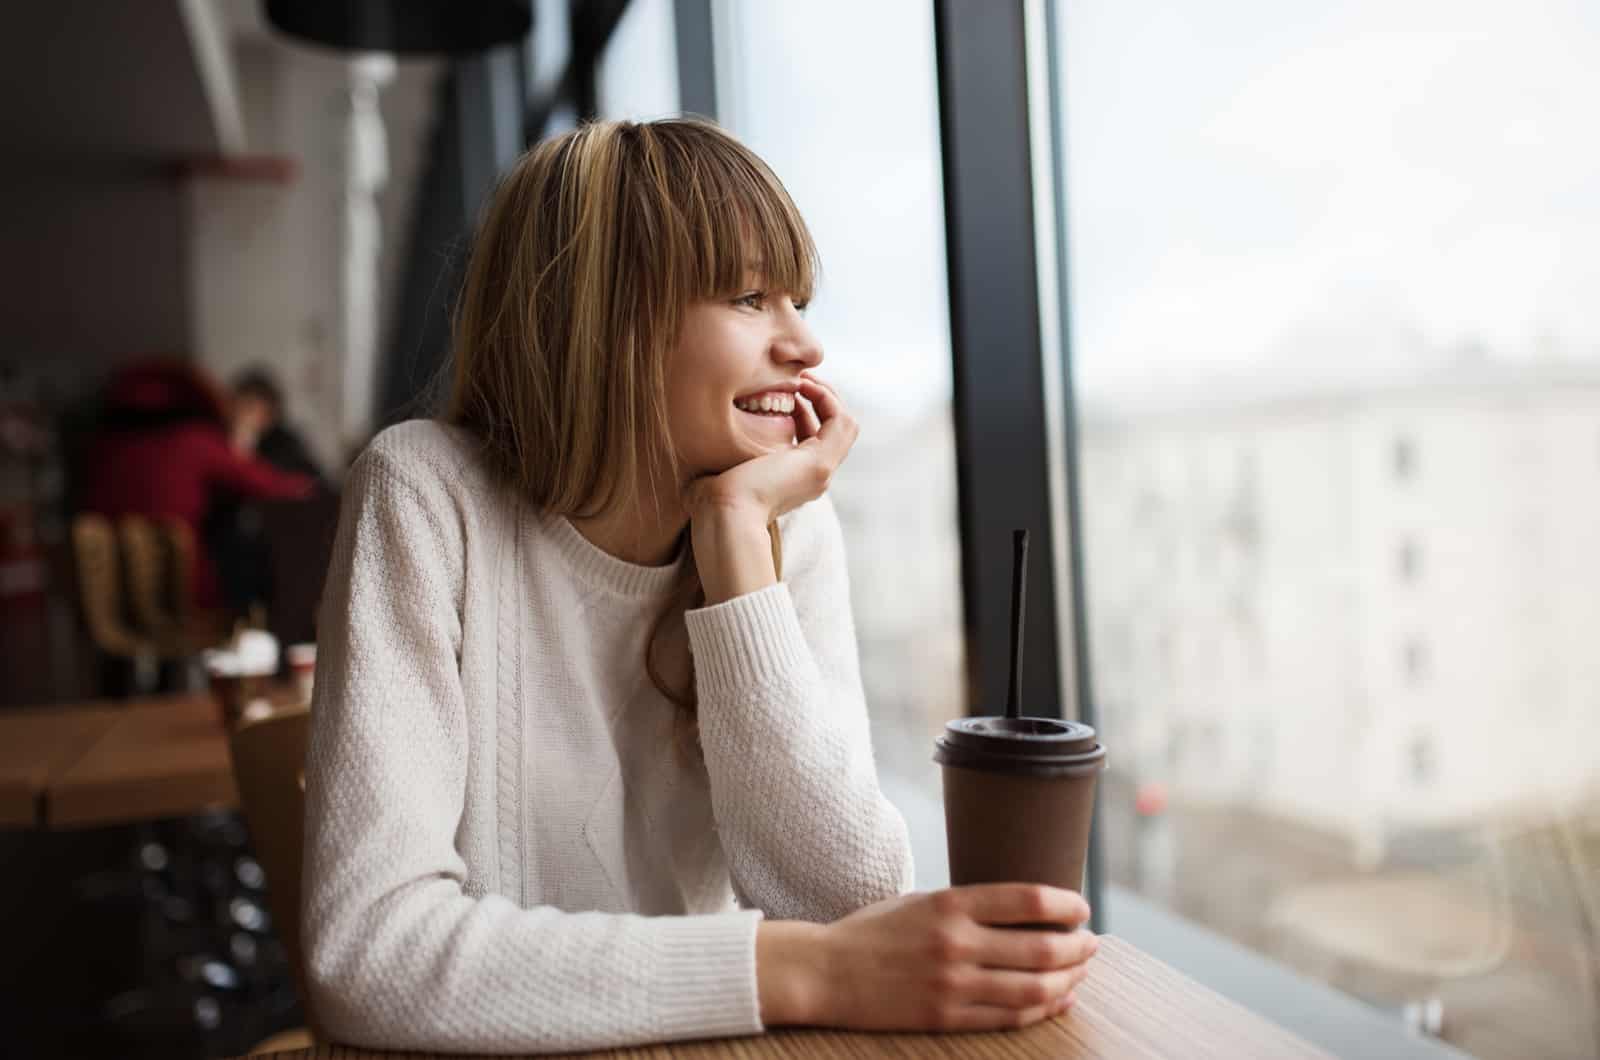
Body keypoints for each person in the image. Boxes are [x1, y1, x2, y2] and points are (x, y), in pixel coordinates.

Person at [303, 119, 1099, 1054]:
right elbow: (370, 956)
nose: (804, 346)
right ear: (602, 317)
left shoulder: (779, 520)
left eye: (797, 300)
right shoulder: (427, 493)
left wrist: (735, 553)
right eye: (751, 297)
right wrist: (804, 971)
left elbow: (850, 899)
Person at [81, 358, 315, 610]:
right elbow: (274, 485)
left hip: (106, 592)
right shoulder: (195, 441)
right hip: (179, 589)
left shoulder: (103, 447)